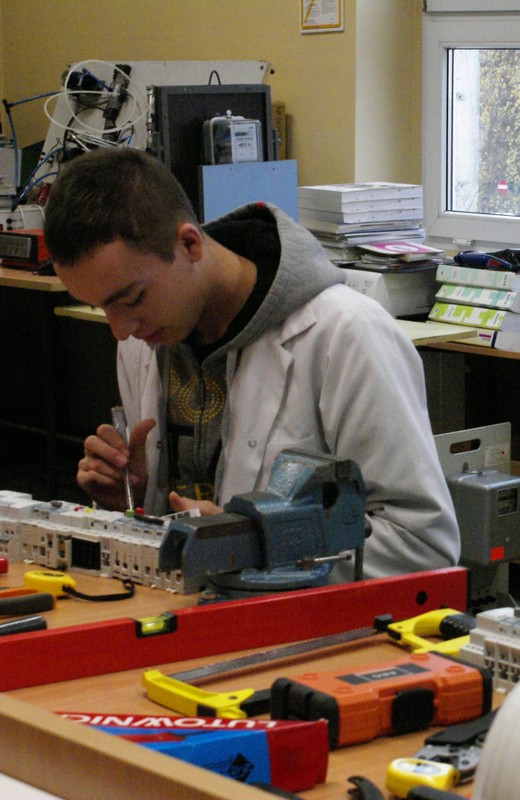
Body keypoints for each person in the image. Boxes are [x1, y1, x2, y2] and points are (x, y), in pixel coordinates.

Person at [43, 146, 460, 581]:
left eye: (131, 300)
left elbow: (423, 545)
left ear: (189, 244)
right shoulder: (143, 338)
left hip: (300, 621)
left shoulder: (346, 334)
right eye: (102, 308)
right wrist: (133, 496)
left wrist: (255, 546)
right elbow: (173, 533)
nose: (119, 330)